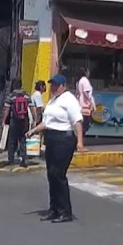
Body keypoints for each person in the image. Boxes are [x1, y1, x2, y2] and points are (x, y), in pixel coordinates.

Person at [30, 74, 85, 222]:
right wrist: (33, 130)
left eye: (56, 85)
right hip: (51, 138)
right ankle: (54, 208)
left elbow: (78, 121)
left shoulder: (69, 99)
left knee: (58, 175)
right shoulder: (53, 101)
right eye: (52, 84)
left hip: (64, 139)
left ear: (63, 86)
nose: (53, 87)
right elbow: (46, 122)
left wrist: (80, 142)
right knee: (51, 175)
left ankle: (65, 211)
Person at [3, 79, 34, 168]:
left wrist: (4, 120)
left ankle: (11, 159)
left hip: (14, 121)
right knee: (23, 140)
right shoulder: (26, 95)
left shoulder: (11, 96)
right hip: (24, 121)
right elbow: (32, 108)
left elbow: (7, 109)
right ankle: (24, 159)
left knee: (12, 140)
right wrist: (34, 120)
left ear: (13, 85)